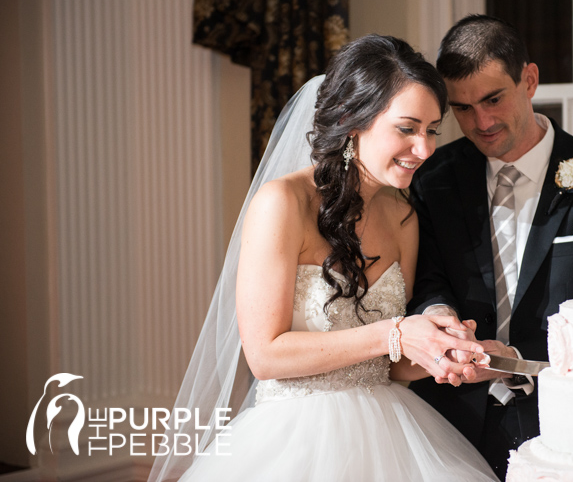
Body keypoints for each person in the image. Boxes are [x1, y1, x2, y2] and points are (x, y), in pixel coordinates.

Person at [148, 35, 499, 482]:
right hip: (294, 440)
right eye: (407, 128)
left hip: (391, 437)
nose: (425, 149)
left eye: (432, 130)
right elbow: (265, 355)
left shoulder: (403, 216)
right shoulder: (282, 203)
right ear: (354, 121)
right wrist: (395, 332)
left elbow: (391, 366)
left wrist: (443, 354)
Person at [408, 15, 573, 479]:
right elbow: (425, 276)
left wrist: (519, 362)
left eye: (493, 99)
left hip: (572, 423)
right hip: (450, 422)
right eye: (462, 108)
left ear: (530, 80)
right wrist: (440, 319)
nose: (482, 122)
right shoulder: (433, 181)